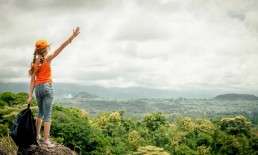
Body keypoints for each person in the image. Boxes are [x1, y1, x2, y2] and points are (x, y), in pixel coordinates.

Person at [27, 27, 80, 147]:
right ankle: (46, 141)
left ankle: (37, 136)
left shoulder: (34, 63)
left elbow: (32, 80)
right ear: (46, 49)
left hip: (38, 89)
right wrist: (72, 37)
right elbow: (61, 46)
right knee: (48, 114)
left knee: (40, 113)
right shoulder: (47, 58)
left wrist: (30, 95)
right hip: (47, 87)